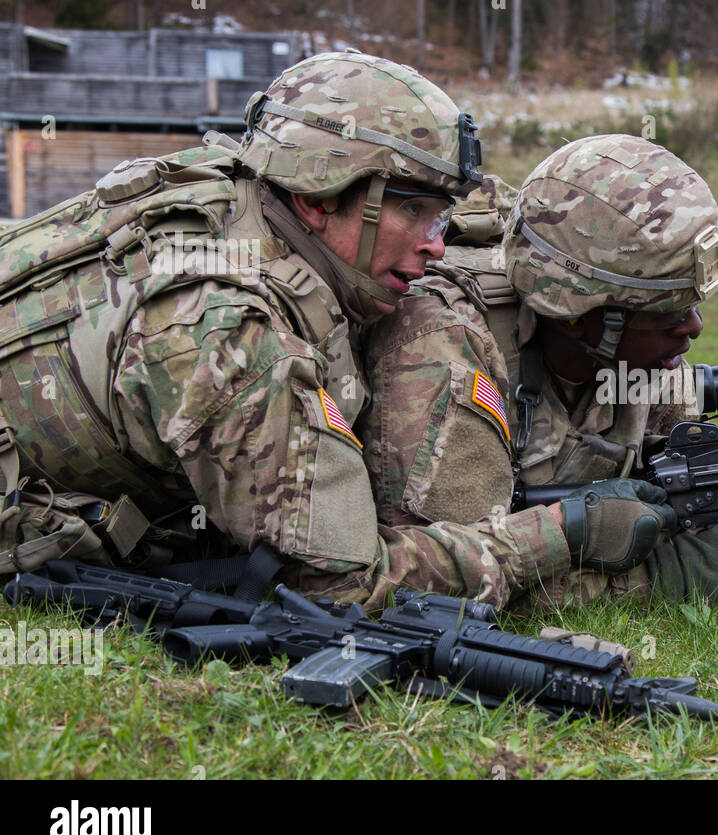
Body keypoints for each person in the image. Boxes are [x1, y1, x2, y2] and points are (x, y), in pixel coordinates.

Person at [0, 52, 674, 612]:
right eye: (415, 212)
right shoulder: (227, 333)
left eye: (441, 218)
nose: (437, 246)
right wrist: (560, 532)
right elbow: (342, 585)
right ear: (318, 196)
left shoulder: (248, 205)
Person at [360, 134, 718, 615]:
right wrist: (665, 578)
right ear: (579, 315)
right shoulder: (443, 348)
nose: (693, 327)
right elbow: (438, 582)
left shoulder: (629, 358)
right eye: (666, 312)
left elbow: (695, 499)